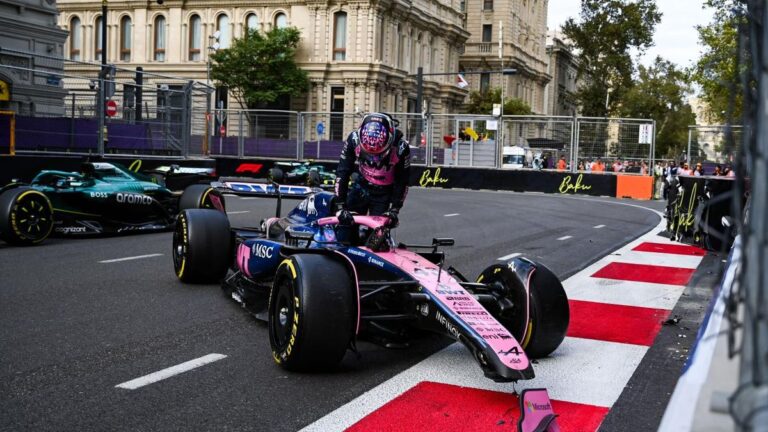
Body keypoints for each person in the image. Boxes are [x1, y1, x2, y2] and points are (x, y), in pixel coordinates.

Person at [335, 112, 411, 231]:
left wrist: (394, 209)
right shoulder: (353, 139)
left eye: (377, 153)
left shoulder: (401, 148)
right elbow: (342, 172)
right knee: (345, 228)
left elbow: (402, 181)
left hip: (384, 193)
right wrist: (340, 207)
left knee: (378, 235)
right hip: (361, 187)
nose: (373, 158)